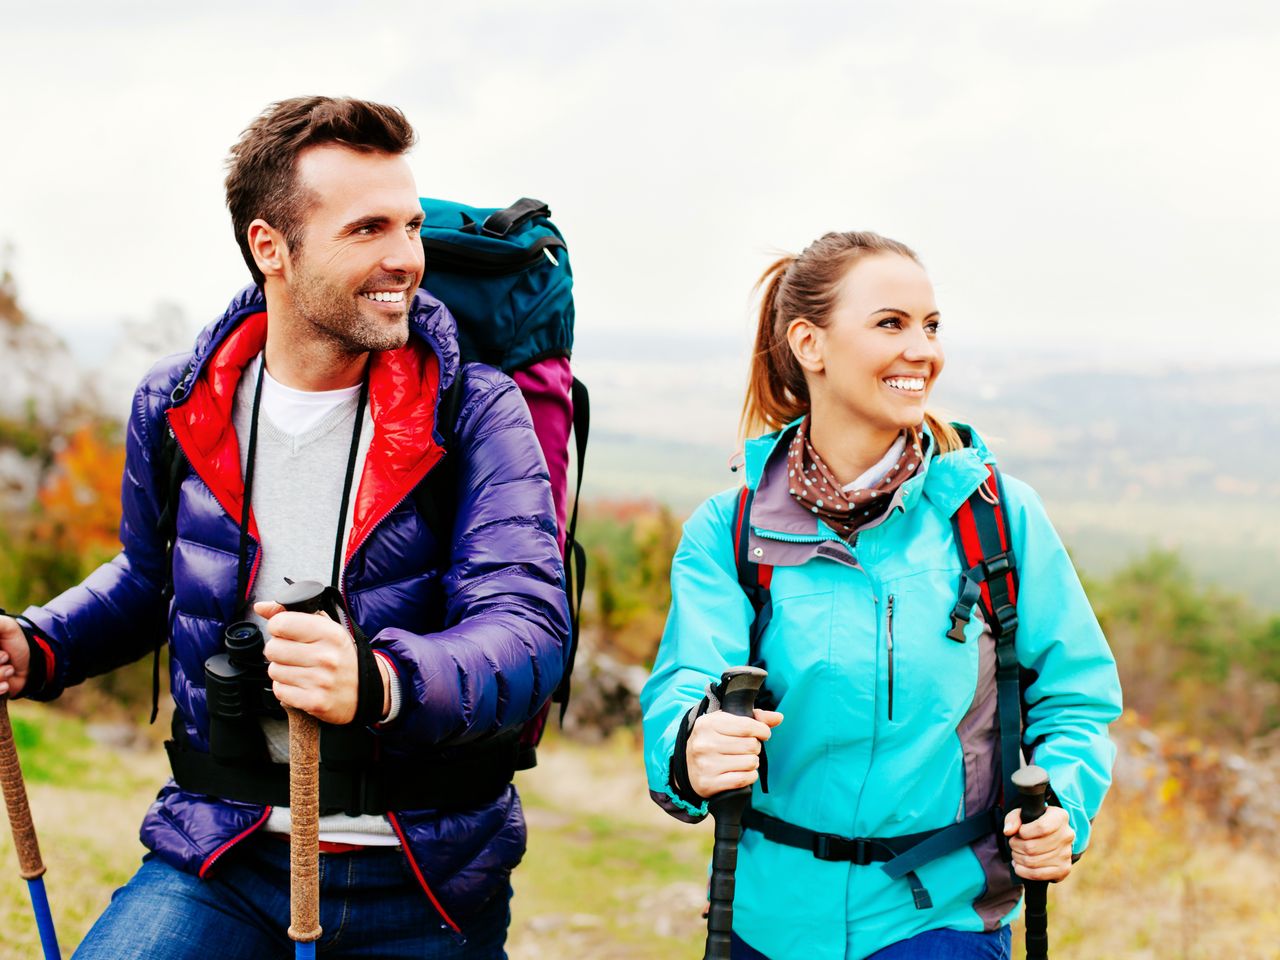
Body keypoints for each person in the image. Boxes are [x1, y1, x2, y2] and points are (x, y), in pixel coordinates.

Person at [0, 96, 568, 959]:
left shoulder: (475, 408)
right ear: (271, 246)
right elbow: (153, 583)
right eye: (368, 229)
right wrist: (37, 644)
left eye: (410, 227)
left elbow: (528, 632)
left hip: (426, 876)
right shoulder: (180, 403)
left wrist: (379, 683)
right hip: (221, 854)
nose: (406, 259)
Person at [640, 231, 1122, 960]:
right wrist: (691, 748)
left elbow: (1076, 698)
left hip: (940, 926)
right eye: (891, 324)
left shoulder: (994, 517)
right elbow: (683, 688)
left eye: (931, 326)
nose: (923, 350)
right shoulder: (732, 530)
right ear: (810, 343)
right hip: (767, 923)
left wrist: (1060, 805)